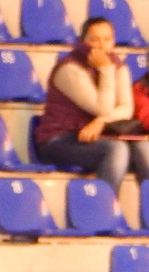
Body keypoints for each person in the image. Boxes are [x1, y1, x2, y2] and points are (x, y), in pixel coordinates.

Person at [34, 16, 149, 197]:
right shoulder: (69, 69)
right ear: (83, 41)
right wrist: (105, 70)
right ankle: (102, 209)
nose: (102, 46)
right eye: (95, 39)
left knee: (144, 148)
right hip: (59, 140)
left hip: (97, 137)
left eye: (107, 39)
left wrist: (101, 122)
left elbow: (126, 109)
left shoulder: (118, 66)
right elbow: (102, 108)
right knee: (116, 150)